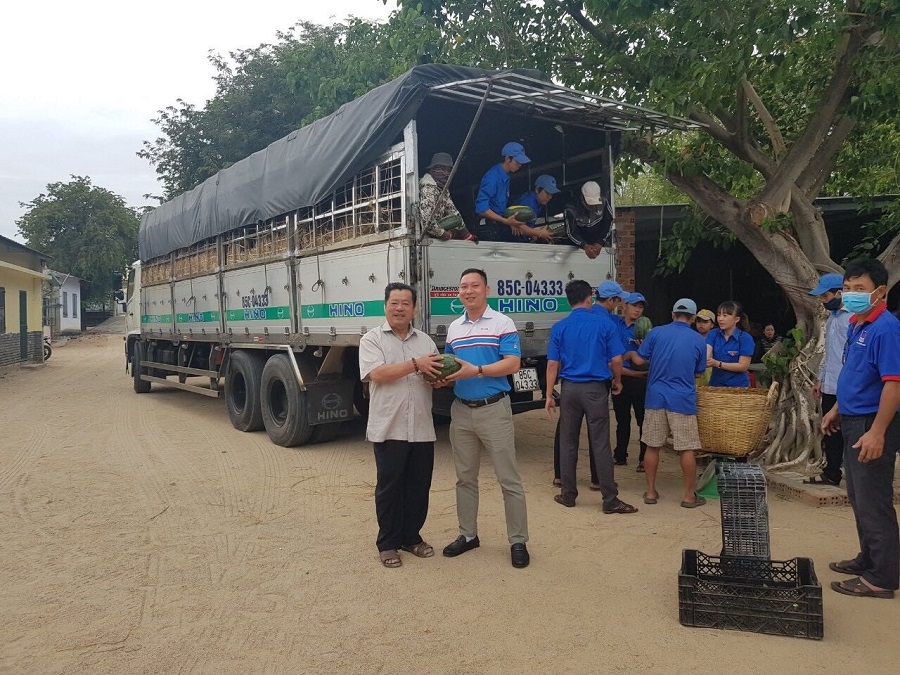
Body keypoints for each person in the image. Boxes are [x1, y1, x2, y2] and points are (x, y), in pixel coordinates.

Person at [441, 268, 530, 568]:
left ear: (486, 289)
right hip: (461, 411)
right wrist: (440, 379)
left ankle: (518, 541)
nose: (468, 291)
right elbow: (450, 368)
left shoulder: (502, 323)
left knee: (509, 479)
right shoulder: (453, 328)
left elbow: (513, 364)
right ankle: (468, 535)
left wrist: (477, 371)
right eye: (463, 286)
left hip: (494, 409)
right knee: (465, 478)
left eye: (474, 285)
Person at [823, 258, 900, 599]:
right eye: (849, 288)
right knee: (857, 496)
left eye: (860, 289)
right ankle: (868, 558)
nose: (851, 294)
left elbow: (893, 383)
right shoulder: (857, 323)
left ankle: (881, 578)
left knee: (873, 500)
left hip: (872, 423)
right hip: (854, 420)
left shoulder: (885, 328)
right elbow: (855, 373)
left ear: (880, 292)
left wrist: (878, 431)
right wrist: (837, 409)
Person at [359, 283, 446, 568]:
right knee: (389, 487)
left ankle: (411, 537)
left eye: (405, 303)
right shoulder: (372, 339)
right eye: (394, 303)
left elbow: (432, 375)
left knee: (419, 486)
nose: (399, 308)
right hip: (389, 427)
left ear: (415, 309)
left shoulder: (426, 342)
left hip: (421, 426)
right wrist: (416, 364)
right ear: (385, 306)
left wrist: (441, 379)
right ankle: (387, 543)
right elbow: (378, 373)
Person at [545, 280, 637, 514]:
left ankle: (568, 494)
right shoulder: (604, 325)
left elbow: (553, 364)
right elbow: (616, 360)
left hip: (569, 389)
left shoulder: (560, 327)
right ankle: (609, 499)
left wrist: (548, 395)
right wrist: (617, 381)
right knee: (600, 442)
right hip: (596, 388)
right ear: (589, 298)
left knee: (568, 442)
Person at [627, 298, 708, 508]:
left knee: (652, 446)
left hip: (655, 397)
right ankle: (689, 496)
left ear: (672, 315)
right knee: (687, 448)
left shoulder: (656, 333)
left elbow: (640, 359)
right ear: (692, 318)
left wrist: (630, 353)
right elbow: (698, 372)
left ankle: (651, 492)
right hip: (682, 399)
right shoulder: (698, 340)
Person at [804, 272, 850, 486]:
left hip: (847, 385)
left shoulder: (851, 318)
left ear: (839, 293)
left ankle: (854, 474)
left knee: (851, 430)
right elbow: (828, 352)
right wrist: (820, 379)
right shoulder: (832, 319)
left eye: (825, 296)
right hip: (830, 385)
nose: (822, 301)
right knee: (830, 430)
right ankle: (832, 473)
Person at [613, 292, 648, 471]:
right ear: (625, 305)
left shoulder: (645, 327)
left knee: (643, 419)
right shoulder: (615, 323)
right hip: (620, 376)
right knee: (622, 419)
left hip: (640, 378)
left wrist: (643, 347)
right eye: (635, 305)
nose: (637, 310)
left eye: (641, 307)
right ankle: (620, 455)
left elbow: (649, 357)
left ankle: (644, 458)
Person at [474, 141, 534, 242]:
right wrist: (505, 221)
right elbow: (481, 209)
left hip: (499, 225)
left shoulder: (506, 176)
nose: (520, 165)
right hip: (488, 228)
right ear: (507, 159)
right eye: (517, 161)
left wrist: (509, 222)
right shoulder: (492, 177)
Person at [417, 152, 476, 242]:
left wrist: (465, 232)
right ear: (433, 169)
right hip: (426, 238)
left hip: (435, 235)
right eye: (442, 169)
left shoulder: (442, 188)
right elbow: (426, 220)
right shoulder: (428, 188)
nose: (446, 173)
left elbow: (452, 210)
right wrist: (442, 233)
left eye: (449, 170)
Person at [706, 300, 754, 387]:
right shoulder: (713, 334)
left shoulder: (745, 338)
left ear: (737, 319)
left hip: (738, 387)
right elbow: (707, 350)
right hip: (716, 385)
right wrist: (706, 359)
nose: (720, 319)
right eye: (718, 315)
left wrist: (718, 364)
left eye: (725, 315)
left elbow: (743, 366)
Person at [562, 181, 615, 259]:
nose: (592, 207)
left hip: (598, 242)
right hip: (577, 247)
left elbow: (608, 222)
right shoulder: (571, 209)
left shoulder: (604, 203)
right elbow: (571, 232)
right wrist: (584, 245)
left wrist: (600, 242)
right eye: (589, 203)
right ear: (582, 198)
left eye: (595, 204)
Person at [509, 174, 559, 242]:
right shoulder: (527, 203)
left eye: (551, 194)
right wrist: (539, 233)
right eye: (547, 193)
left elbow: (526, 224)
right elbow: (518, 226)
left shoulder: (538, 203)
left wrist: (532, 234)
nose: (550, 197)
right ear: (537, 190)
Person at [693, 309, 715, 386]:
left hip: (711, 375)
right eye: (698, 321)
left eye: (705, 322)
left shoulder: (717, 340)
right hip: (695, 376)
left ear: (712, 325)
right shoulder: (692, 338)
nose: (701, 324)